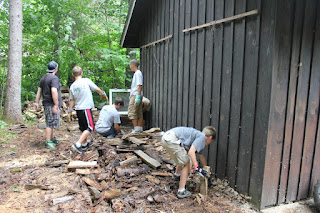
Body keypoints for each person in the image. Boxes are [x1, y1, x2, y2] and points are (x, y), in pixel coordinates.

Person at [161, 126, 216, 199]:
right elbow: (191, 152)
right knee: (186, 163)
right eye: (211, 141)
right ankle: (181, 191)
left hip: (166, 137)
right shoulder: (201, 137)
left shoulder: (198, 137)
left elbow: (201, 156)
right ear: (210, 137)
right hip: (171, 139)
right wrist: (197, 168)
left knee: (184, 158)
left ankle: (177, 175)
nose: (210, 143)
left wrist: (205, 170)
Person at [68, 66, 107, 153]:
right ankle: (77, 144)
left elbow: (71, 100)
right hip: (86, 108)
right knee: (90, 127)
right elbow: (96, 89)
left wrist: (69, 110)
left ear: (73, 75)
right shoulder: (86, 81)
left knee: (83, 128)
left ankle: (84, 145)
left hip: (78, 109)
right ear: (81, 73)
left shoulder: (72, 86)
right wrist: (103, 94)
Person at [34, 61, 63, 150]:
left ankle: (51, 138)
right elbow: (54, 91)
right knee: (50, 123)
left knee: (51, 121)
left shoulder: (43, 78)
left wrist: (36, 102)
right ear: (56, 69)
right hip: (51, 104)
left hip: (46, 103)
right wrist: (56, 104)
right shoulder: (54, 78)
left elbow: (39, 91)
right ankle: (48, 142)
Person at [128, 59, 143, 133]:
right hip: (137, 95)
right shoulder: (137, 73)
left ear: (133, 65)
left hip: (135, 95)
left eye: (130, 65)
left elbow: (140, 85)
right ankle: (139, 128)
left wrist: (138, 97)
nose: (130, 67)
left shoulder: (137, 73)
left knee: (132, 112)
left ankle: (136, 129)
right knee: (138, 112)